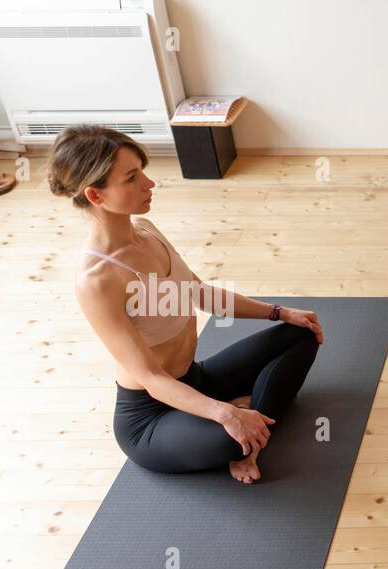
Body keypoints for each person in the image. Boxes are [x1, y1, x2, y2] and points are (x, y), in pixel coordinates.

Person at [48, 124, 322, 483]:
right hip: (151, 417)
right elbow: (149, 377)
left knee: (301, 334)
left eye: (142, 171)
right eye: (132, 178)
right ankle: (245, 430)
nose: (149, 183)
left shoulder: (146, 229)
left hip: (195, 379)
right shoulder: (97, 280)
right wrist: (224, 415)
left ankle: (249, 420)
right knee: (230, 439)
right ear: (96, 196)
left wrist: (280, 312)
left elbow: (199, 292)